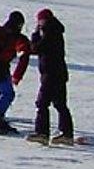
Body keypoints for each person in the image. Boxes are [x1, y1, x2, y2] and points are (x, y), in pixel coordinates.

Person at [29, 9, 72, 142]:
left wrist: (35, 35)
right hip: (58, 73)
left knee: (42, 103)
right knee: (60, 104)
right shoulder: (55, 30)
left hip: (51, 73)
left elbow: (36, 48)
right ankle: (66, 134)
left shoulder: (50, 31)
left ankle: (42, 133)